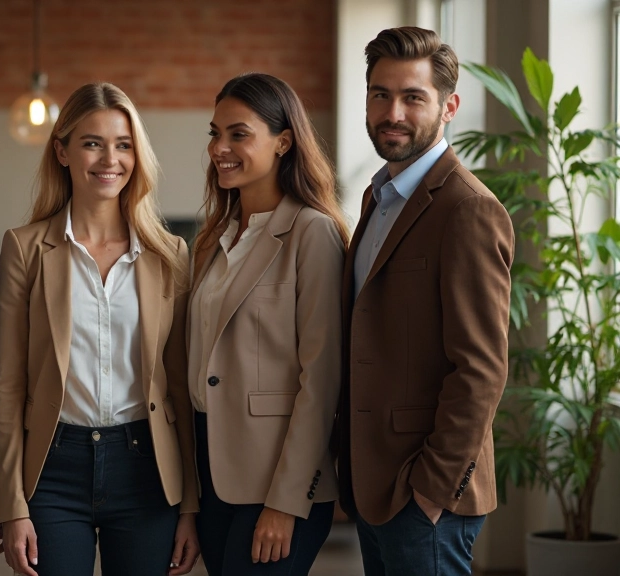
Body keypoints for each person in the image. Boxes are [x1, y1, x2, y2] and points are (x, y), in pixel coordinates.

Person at [0, 82, 200, 576]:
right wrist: (12, 505)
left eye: (123, 145)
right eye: (92, 143)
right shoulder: (24, 249)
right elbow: (9, 385)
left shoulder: (169, 254)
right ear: (62, 151)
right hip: (53, 469)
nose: (110, 159)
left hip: (147, 467)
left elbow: (179, 386)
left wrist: (190, 506)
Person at [335, 27, 514, 576]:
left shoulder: (467, 209)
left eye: (413, 97)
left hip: (425, 497)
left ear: (448, 107)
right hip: (374, 484)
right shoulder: (378, 198)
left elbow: (480, 368)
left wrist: (433, 489)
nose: (393, 113)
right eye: (380, 94)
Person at [188, 73, 346, 576]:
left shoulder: (311, 232)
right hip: (211, 474)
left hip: (276, 483)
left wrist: (287, 501)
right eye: (215, 133)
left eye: (239, 134)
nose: (220, 148)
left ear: (283, 142)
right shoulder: (213, 239)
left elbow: (321, 380)